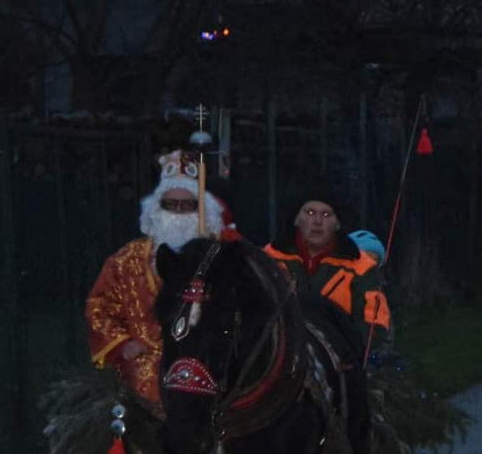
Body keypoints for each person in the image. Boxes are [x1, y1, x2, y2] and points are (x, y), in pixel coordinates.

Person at [85, 148, 238, 408]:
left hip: (208, 365)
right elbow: (99, 307)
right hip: (146, 367)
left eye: (188, 206)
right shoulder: (126, 260)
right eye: (171, 205)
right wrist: (123, 345)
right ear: (156, 209)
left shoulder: (222, 257)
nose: (178, 213)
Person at [265, 183, 392, 359]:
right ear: (296, 219)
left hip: (339, 362)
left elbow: (374, 326)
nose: (318, 221)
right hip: (275, 357)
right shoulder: (268, 259)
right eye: (310, 213)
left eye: (326, 214)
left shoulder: (362, 267)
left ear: (337, 223)